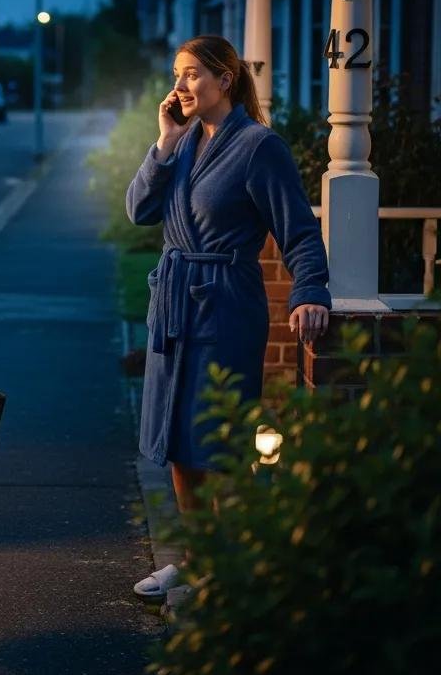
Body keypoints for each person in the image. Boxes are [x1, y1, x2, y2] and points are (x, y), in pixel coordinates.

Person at [126, 35, 330, 599]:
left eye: (192, 74)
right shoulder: (184, 141)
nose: (181, 85)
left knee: (216, 436)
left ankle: (226, 561)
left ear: (225, 78)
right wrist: (163, 143)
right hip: (173, 301)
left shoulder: (260, 146)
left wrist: (309, 289)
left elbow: (298, 229)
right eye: (176, 73)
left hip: (225, 304)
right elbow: (139, 210)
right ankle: (193, 556)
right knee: (176, 436)